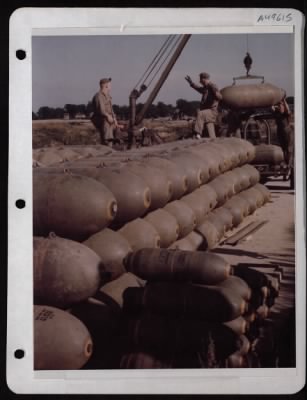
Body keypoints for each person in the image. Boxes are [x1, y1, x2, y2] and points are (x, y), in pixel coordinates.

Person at [185, 72, 223, 138]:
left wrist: (215, 93)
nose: (200, 82)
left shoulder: (212, 86)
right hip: (207, 112)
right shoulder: (206, 88)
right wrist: (191, 83)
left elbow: (220, 97)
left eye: (201, 80)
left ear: (205, 79)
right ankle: (213, 140)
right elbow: (198, 88)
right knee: (210, 129)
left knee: (200, 114)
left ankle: (197, 134)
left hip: (212, 112)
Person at [91, 78, 122, 146]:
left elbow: (111, 110)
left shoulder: (108, 96)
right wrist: (108, 116)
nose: (111, 87)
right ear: (106, 86)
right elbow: (101, 110)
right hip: (99, 118)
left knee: (118, 126)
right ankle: (107, 143)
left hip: (107, 116)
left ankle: (117, 143)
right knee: (106, 122)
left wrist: (115, 120)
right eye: (110, 85)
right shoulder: (98, 96)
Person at [271, 96, 294, 174]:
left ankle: (289, 165)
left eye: (281, 106)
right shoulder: (277, 113)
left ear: (283, 106)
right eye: (279, 106)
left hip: (287, 132)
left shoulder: (286, 114)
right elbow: (272, 108)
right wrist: (273, 101)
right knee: (283, 149)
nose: (280, 107)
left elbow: (287, 109)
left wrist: (284, 101)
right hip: (280, 132)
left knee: (289, 149)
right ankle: (285, 164)